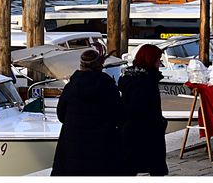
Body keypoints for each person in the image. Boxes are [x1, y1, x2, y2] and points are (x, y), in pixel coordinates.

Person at [51, 48, 123, 175]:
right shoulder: (107, 86)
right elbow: (118, 114)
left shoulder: (71, 86)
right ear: (100, 66)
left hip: (73, 143)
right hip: (102, 144)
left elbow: (61, 114)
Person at [119, 44, 168, 176]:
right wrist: (159, 123)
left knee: (131, 167)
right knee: (154, 167)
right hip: (146, 130)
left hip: (131, 130)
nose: (159, 63)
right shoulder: (145, 81)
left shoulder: (131, 78)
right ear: (151, 60)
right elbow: (141, 107)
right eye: (158, 60)